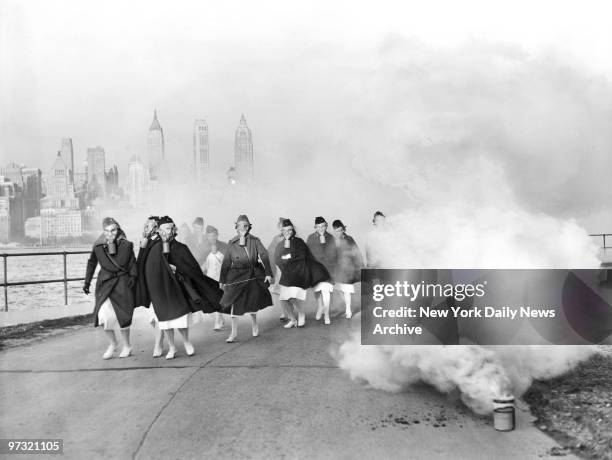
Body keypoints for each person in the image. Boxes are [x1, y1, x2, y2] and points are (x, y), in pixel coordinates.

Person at [144, 216, 224, 359]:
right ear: (160, 231)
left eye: (169, 228)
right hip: (161, 291)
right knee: (165, 322)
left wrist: (177, 269)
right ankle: (172, 347)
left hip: (177, 290)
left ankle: (187, 342)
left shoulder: (181, 248)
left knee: (179, 319)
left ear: (173, 230)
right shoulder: (155, 248)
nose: (166, 232)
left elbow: (193, 270)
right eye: (164, 229)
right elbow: (149, 270)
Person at [83, 217, 137, 359]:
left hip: (122, 282)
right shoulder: (98, 246)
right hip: (105, 283)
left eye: (113, 230)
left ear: (117, 229)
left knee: (123, 316)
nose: (110, 233)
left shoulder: (126, 245)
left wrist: (133, 277)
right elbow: (91, 263)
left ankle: (127, 345)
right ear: (103, 231)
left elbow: (132, 262)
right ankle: (113, 344)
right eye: (107, 231)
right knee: (102, 316)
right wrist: (87, 282)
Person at [219, 215, 273, 343]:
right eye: (240, 226)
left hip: (252, 274)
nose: (243, 228)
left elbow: (264, 255)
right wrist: (222, 279)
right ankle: (234, 333)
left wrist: (268, 273)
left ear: (249, 227)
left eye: (245, 226)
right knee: (234, 304)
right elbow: (226, 262)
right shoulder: (232, 242)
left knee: (252, 302)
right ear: (236, 227)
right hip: (236, 275)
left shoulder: (255, 240)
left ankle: (254, 323)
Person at [275, 219, 331, 328]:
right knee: (283, 299)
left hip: (298, 274)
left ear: (292, 230)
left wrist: (287, 257)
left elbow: (302, 257)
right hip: (286, 275)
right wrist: (285, 258)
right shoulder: (280, 244)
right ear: (282, 231)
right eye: (285, 230)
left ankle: (301, 314)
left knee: (292, 297)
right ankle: (292, 319)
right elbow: (277, 259)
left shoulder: (299, 242)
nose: (288, 232)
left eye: (290, 230)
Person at [134, 215, 166, 357]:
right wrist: (142, 246)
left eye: (152, 226)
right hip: (147, 283)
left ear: (157, 228)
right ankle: (161, 335)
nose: (149, 228)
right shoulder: (145, 242)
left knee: (156, 315)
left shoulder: (160, 241)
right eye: (147, 226)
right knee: (151, 318)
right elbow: (139, 263)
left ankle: (158, 344)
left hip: (157, 283)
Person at [306, 217, 338, 325]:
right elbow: (307, 253)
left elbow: (335, 254)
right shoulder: (310, 238)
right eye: (318, 227)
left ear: (326, 226)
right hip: (315, 269)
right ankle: (320, 306)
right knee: (317, 291)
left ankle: (327, 314)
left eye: (323, 226)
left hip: (328, 269)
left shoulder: (331, 237)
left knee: (326, 291)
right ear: (315, 227)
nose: (321, 229)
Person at [332, 219, 363, 319]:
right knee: (338, 289)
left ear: (343, 229)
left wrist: (359, 265)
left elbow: (356, 252)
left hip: (348, 268)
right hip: (338, 269)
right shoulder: (333, 241)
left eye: (340, 230)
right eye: (336, 230)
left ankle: (348, 310)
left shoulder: (349, 239)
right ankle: (347, 305)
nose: (339, 232)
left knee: (346, 290)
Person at [201, 225, 228, 331]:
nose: (211, 238)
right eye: (209, 236)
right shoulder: (204, 248)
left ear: (217, 235)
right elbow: (201, 264)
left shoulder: (224, 246)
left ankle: (218, 321)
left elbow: (228, 262)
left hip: (221, 278)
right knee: (211, 301)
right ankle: (220, 318)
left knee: (219, 299)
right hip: (209, 278)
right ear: (206, 237)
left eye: (213, 235)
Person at [267, 217, 288, 320]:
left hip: (289, 268)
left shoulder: (292, 238)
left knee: (289, 291)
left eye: (283, 227)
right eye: (280, 227)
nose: (281, 230)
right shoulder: (276, 238)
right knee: (281, 291)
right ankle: (284, 312)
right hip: (279, 268)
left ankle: (291, 312)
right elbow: (270, 251)